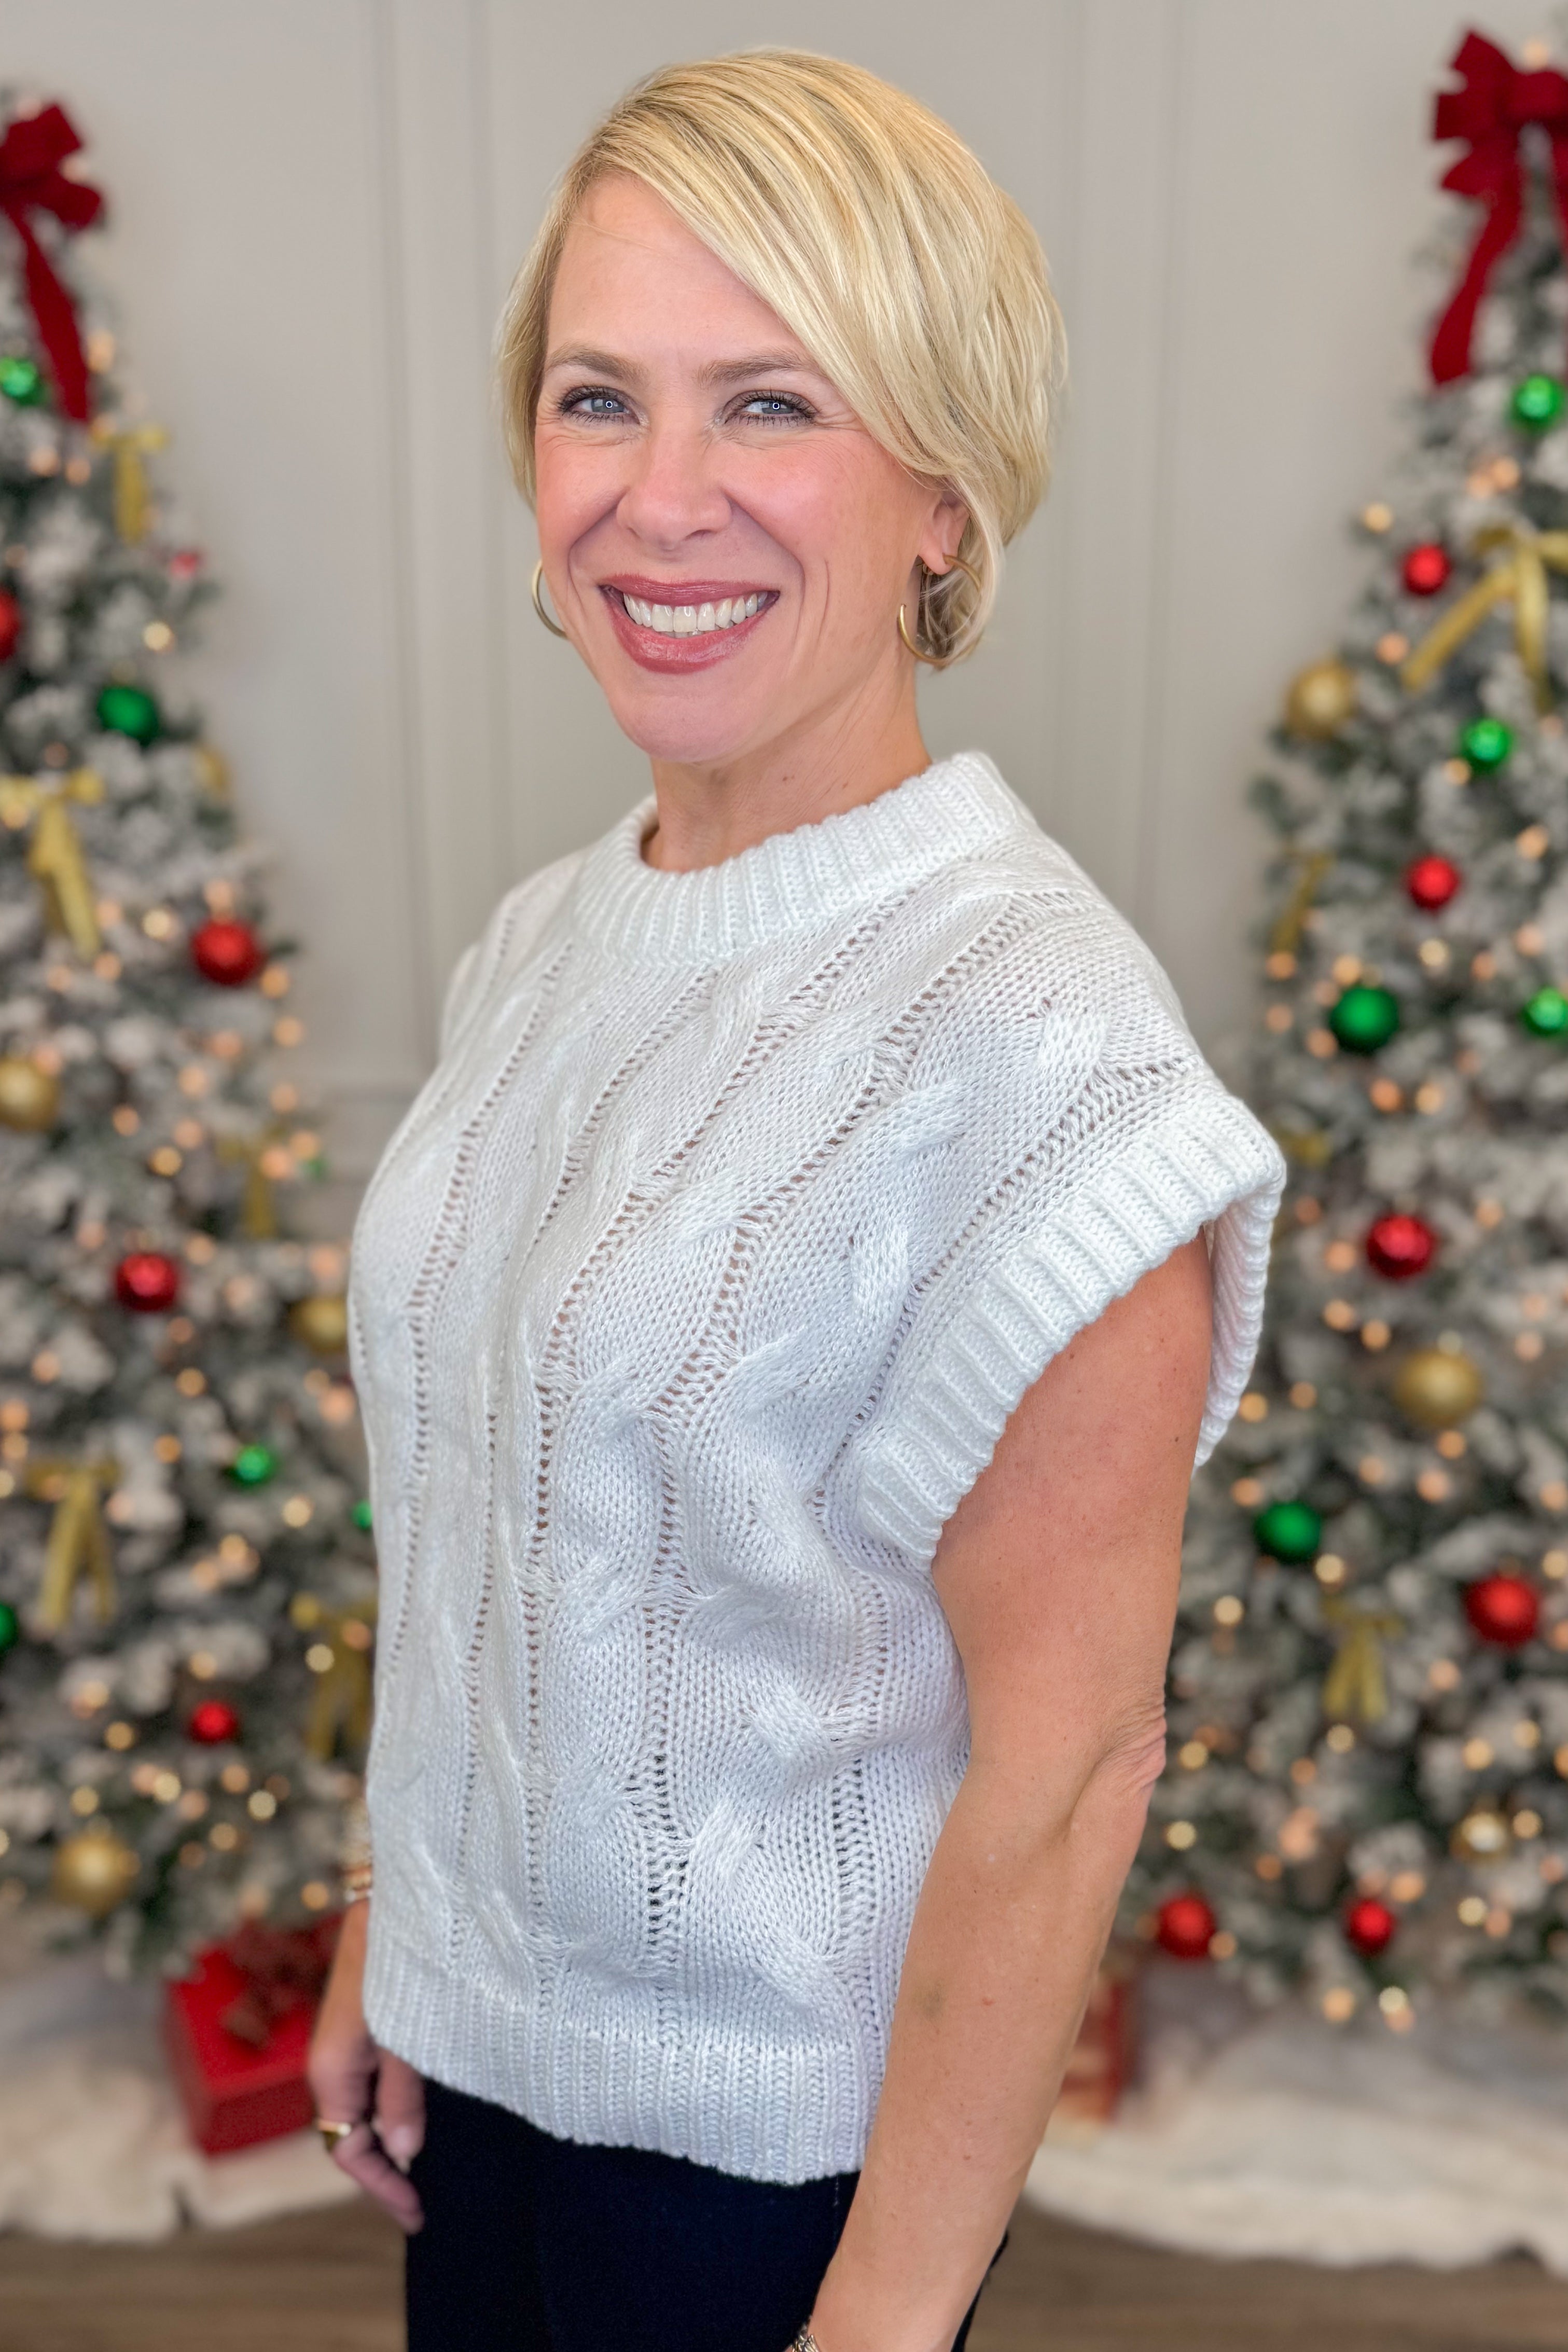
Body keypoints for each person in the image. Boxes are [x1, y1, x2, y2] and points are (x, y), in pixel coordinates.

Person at [309, 48, 1284, 2352]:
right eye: (598, 399)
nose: (658, 501)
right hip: (477, 2090)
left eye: (769, 405)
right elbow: (493, 1520)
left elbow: (1069, 1772)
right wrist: (396, 1919)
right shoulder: (549, 940)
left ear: (944, 493)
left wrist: (882, 2319)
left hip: (766, 2194)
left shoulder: (1044, 1053)